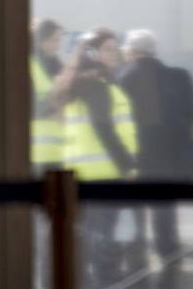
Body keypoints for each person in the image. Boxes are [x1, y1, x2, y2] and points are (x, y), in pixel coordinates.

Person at [118, 29, 193, 289]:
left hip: (137, 155)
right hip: (171, 153)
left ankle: (137, 259)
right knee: (164, 209)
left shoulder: (122, 77)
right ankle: (169, 255)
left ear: (131, 51)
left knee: (135, 209)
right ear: (154, 50)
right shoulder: (180, 76)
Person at [55, 28, 138, 289]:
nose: (116, 54)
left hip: (84, 173)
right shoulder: (97, 87)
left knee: (89, 241)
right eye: (109, 49)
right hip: (104, 172)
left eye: (116, 49)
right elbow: (104, 129)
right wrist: (127, 166)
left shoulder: (80, 85)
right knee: (104, 243)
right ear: (93, 54)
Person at [31, 18, 66, 174]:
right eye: (54, 40)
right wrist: (54, 105)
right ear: (41, 40)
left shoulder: (57, 64)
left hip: (62, 148)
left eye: (59, 41)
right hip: (39, 152)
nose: (58, 46)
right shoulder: (30, 65)